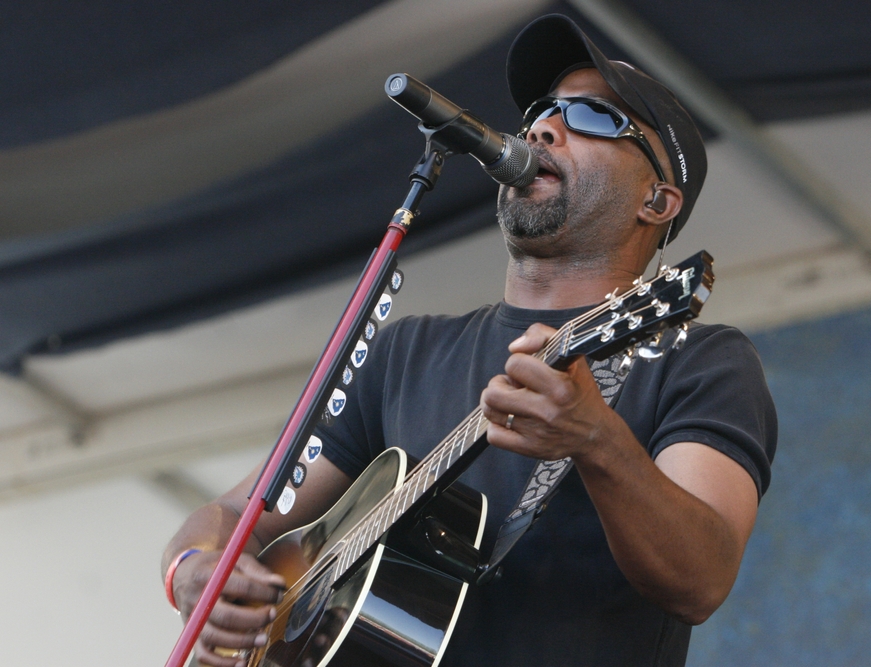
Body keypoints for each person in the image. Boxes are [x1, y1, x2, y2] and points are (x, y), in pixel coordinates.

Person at [162, 14, 777, 667]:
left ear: (657, 201)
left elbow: (702, 579)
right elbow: (239, 515)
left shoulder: (698, 358)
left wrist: (596, 439)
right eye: (542, 111)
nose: (543, 127)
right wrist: (194, 570)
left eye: (595, 117)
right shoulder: (404, 354)